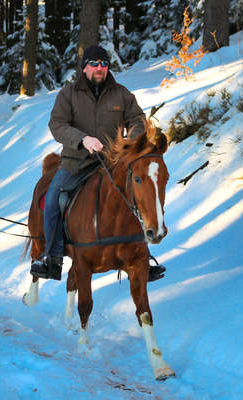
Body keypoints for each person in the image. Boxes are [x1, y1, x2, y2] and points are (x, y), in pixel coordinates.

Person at [30, 45, 166, 281]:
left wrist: (131, 142)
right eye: (94, 64)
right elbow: (57, 125)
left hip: (111, 165)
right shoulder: (69, 94)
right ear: (84, 68)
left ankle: (142, 256)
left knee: (136, 195)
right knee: (52, 199)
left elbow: (137, 119)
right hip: (75, 163)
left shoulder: (121, 93)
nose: (100, 68)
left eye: (104, 64)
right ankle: (52, 257)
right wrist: (82, 139)